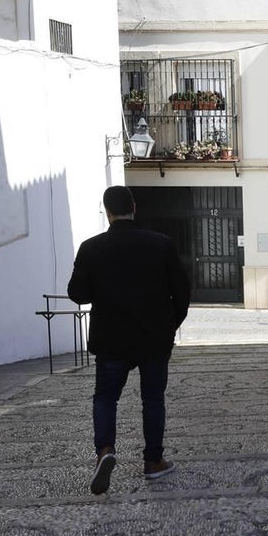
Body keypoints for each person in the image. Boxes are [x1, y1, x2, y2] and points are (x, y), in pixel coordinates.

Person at [68, 186, 191, 495]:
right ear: (134, 207)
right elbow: (183, 292)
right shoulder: (160, 245)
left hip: (110, 340)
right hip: (153, 339)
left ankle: (105, 450)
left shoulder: (90, 248)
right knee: (153, 399)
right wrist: (168, 326)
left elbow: (77, 294)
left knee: (106, 398)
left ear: (107, 211)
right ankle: (153, 462)